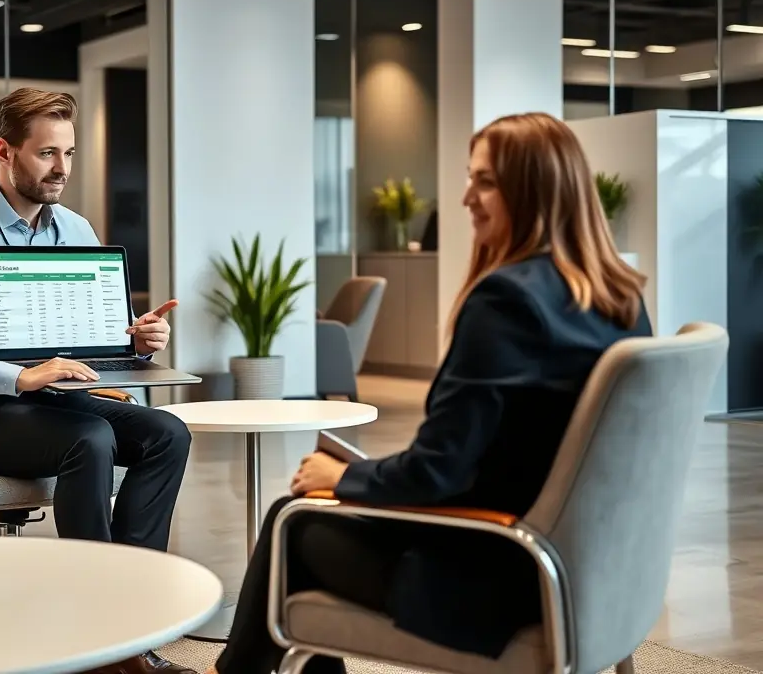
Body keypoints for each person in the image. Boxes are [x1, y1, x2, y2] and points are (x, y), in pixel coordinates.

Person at [205, 112, 654, 674]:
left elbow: (437, 472)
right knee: (306, 515)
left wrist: (343, 477)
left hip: (501, 572)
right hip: (592, 570)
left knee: (290, 520)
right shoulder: (623, 302)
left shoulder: (506, 303)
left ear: (534, 190)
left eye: (485, 181)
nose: (465, 197)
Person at [0, 87, 195, 674]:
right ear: (4, 151)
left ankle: (130, 621)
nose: (62, 168)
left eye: (68, 153)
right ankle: (104, 637)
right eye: (47, 153)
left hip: (59, 402)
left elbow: (94, 336)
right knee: (91, 438)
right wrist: (19, 376)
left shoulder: (76, 229)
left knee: (167, 432)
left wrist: (135, 340)